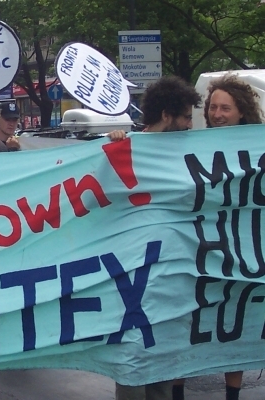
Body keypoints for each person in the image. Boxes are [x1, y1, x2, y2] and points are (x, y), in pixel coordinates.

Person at [108, 76, 201, 400]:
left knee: (162, 364)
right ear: (166, 115)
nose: (191, 124)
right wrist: (115, 147)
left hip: (172, 276)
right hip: (135, 277)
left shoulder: (192, 153)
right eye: (186, 117)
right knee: (134, 359)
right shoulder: (127, 149)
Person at [171, 74, 262, 400]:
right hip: (197, 254)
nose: (217, 114)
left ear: (242, 112)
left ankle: (232, 396)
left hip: (243, 255)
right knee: (185, 326)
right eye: (213, 107)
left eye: (226, 108)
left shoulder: (258, 150)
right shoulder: (191, 148)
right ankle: (177, 391)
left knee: (237, 325)